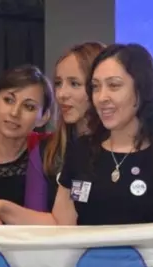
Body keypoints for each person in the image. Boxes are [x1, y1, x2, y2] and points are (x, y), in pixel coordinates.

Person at [0, 43, 153, 227]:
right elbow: (60, 224)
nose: (102, 97)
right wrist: (2, 208)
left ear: (141, 90)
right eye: (95, 87)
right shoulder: (82, 151)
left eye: (114, 86)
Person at [25, 42, 106, 212]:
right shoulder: (45, 153)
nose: (61, 94)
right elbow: (33, 222)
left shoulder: (122, 149)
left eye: (74, 84)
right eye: (58, 83)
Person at [0, 65, 53, 206]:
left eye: (29, 107)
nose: (14, 113)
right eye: (8, 100)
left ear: (44, 117)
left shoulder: (50, 152)